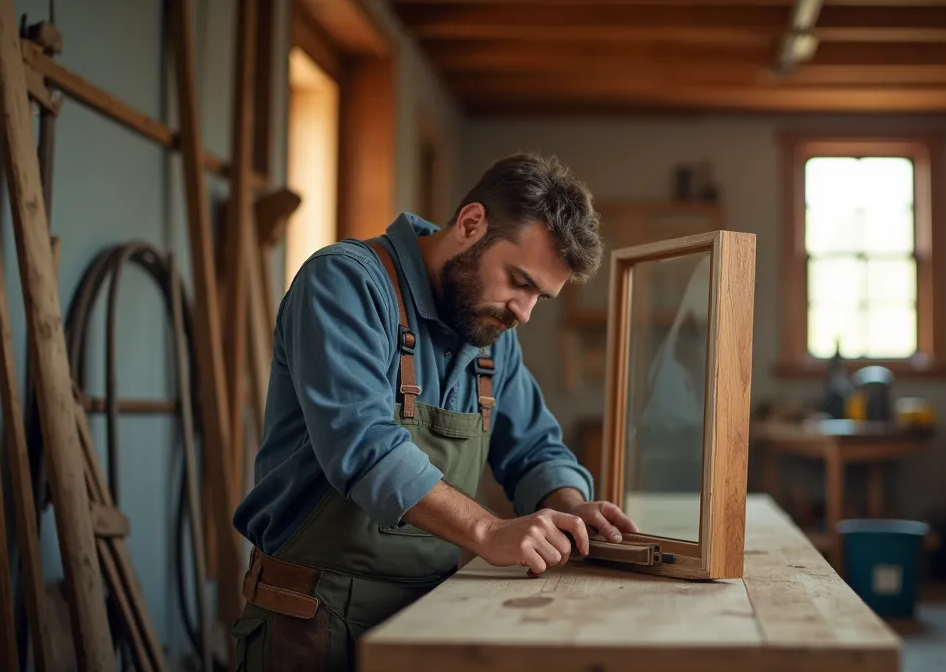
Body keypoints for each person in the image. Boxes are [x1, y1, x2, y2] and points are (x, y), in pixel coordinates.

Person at [229, 153, 640, 670]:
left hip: (430, 616)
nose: (524, 312)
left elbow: (534, 448)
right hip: (311, 620)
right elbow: (364, 448)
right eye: (519, 280)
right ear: (471, 224)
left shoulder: (491, 332)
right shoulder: (345, 284)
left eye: (540, 296)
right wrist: (489, 532)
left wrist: (569, 506)